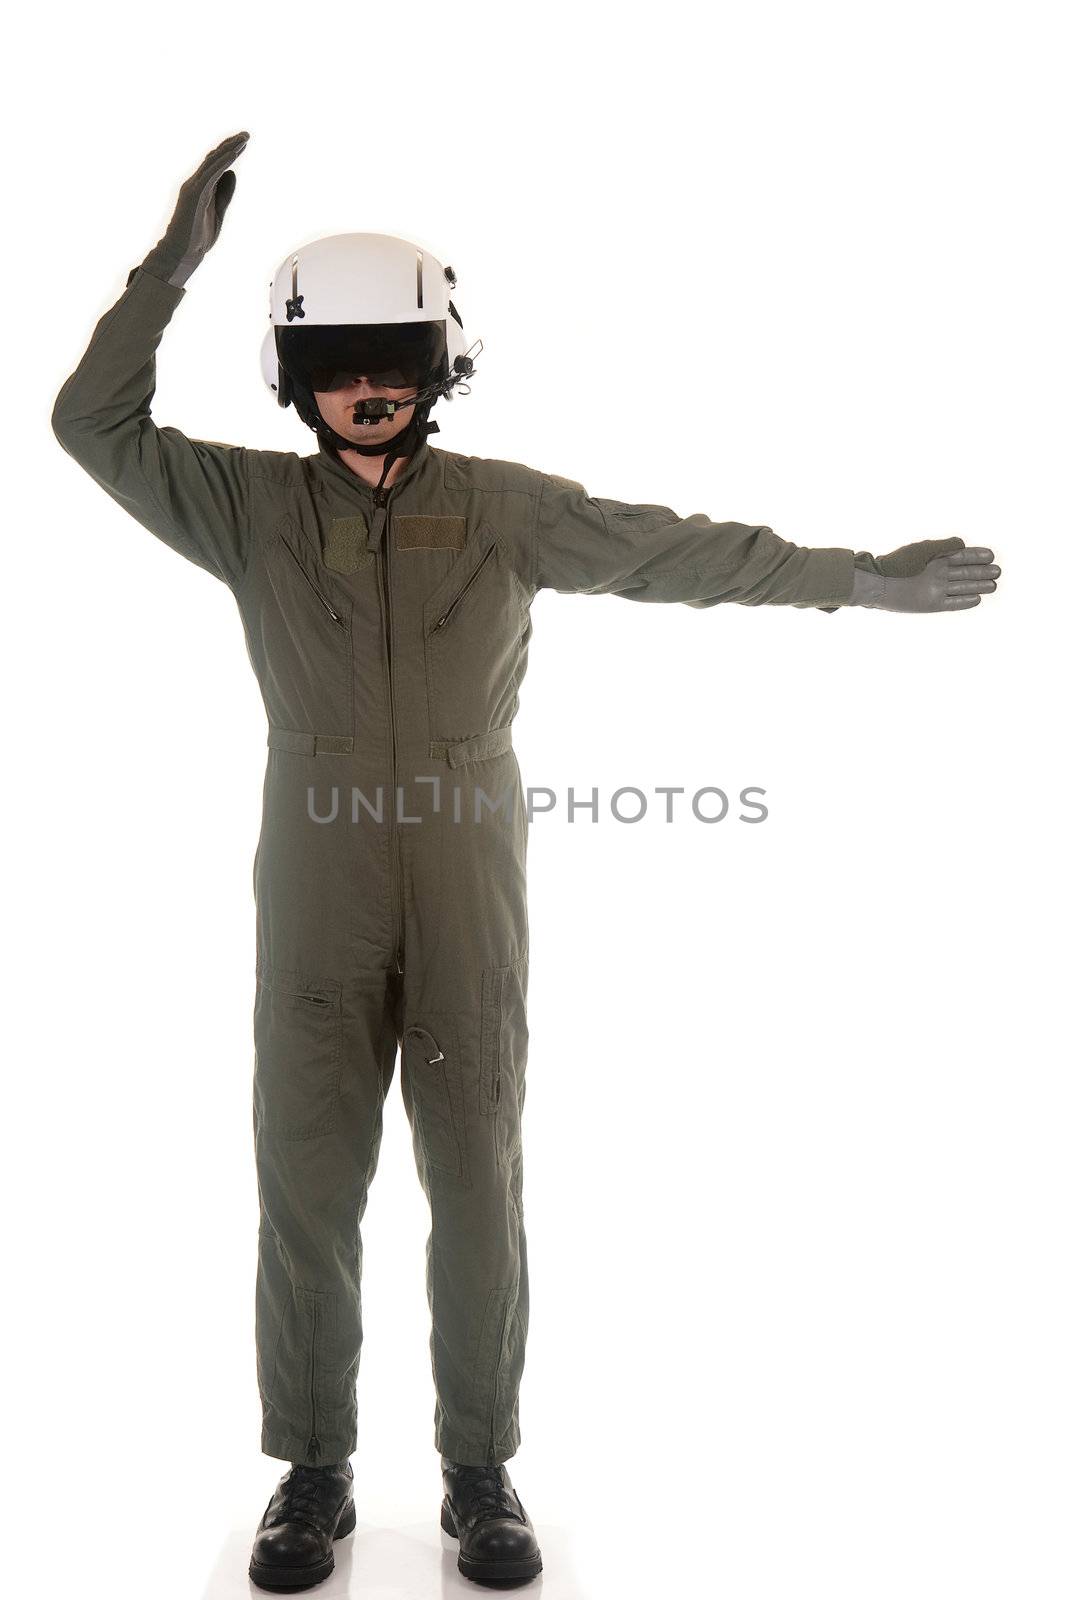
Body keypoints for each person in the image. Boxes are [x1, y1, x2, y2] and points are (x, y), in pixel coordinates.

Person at [50, 131, 1001, 1595]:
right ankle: (313, 1473)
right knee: (307, 1175)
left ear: (444, 366)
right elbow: (91, 423)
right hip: (314, 869)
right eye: (339, 364)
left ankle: (478, 1471)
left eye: (398, 357)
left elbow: (680, 552)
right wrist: (165, 270)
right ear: (292, 381)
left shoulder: (500, 508)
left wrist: (856, 582)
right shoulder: (245, 510)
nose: (369, 387)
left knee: (478, 1179)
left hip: (467, 864)